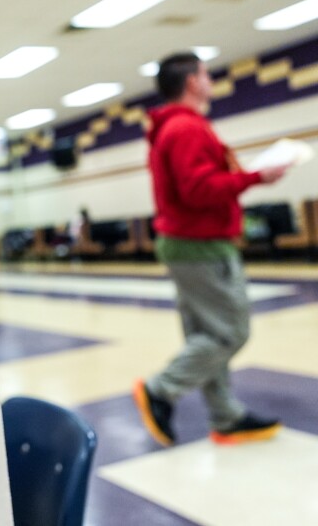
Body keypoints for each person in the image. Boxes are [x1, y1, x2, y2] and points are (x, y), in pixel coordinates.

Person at [133, 52, 290, 446]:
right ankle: (160, 390)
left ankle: (226, 415)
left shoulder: (174, 127)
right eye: (205, 74)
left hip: (186, 243)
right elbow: (198, 190)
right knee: (229, 332)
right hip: (200, 244)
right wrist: (255, 177)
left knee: (206, 333)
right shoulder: (186, 127)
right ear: (191, 82)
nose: (210, 80)